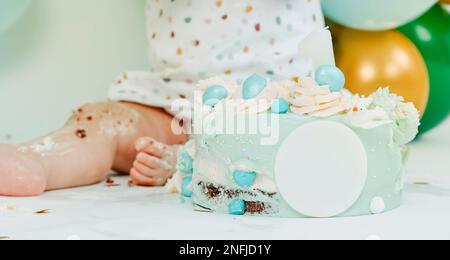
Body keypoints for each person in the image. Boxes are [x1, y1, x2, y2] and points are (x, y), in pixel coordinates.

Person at [0, 0, 324, 196]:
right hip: (174, 106)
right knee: (104, 120)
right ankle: (41, 158)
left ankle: (187, 162)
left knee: (306, 144)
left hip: (279, 106)